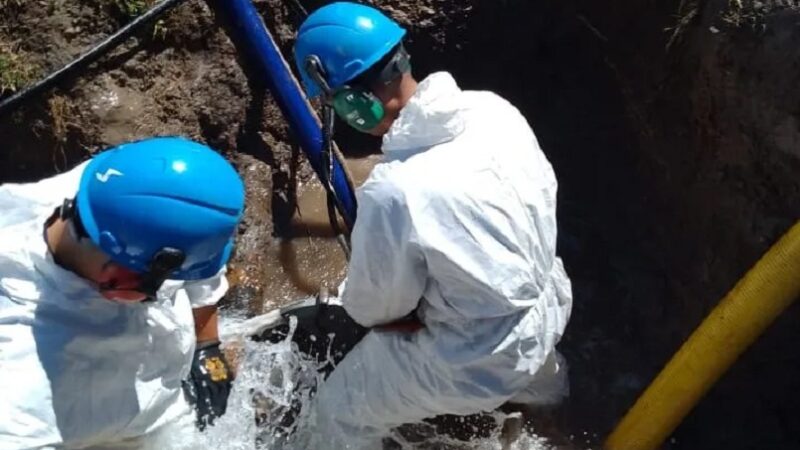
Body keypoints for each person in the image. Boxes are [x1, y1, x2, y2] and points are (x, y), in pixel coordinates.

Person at [290, 2, 574, 448]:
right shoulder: (492, 109)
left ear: (354, 104)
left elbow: (373, 310)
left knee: (339, 412)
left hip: (474, 359)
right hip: (547, 309)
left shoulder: (394, 190)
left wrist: (406, 313)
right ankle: (556, 418)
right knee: (538, 379)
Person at [0, 137, 245, 449]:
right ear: (117, 279)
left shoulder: (111, 190)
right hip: (106, 433)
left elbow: (199, 266)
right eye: (156, 286)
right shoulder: (20, 382)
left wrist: (207, 345)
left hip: (162, 406)